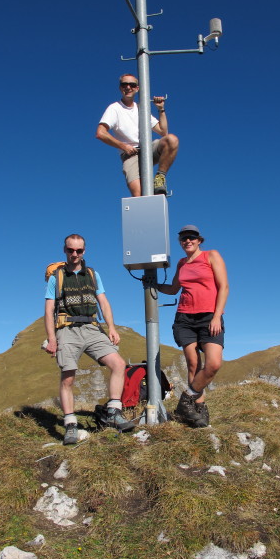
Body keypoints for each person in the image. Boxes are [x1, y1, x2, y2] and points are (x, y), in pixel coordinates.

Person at [44, 234, 135, 444]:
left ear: (84, 251)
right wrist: (51, 338)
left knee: (119, 364)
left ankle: (113, 411)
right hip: (67, 330)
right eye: (70, 250)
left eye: (79, 251)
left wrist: (111, 327)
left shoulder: (93, 275)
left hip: (92, 328)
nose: (74, 254)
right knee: (68, 377)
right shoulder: (55, 277)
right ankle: (70, 425)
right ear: (64, 250)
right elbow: (49, 310)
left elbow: (103, 302)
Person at [156, 225, 229, 428]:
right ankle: (197, 409)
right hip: (185, 318)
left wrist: (216, 317)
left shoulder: (211, 256)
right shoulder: (181, 263)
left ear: (199, 240)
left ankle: (185, 400)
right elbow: (173, 289)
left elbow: (224, 286)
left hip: (209, 318)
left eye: (191, 238)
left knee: (213, 364)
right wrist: (152, 284)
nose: (187, 241)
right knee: (193, 365)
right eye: (183, 238)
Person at [96, 73, 179, 197]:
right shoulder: (114, 108)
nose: (128, 87)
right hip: (130, 155)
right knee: (139, 196)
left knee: (171, 140)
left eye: (132, 85)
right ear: (120, 88)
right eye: (124, 84)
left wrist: (161, 109)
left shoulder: (142, 108)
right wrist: (124, 146)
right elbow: (100, 133)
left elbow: (163, 132)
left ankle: (160, 177)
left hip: (147, 149)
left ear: (137, 88)